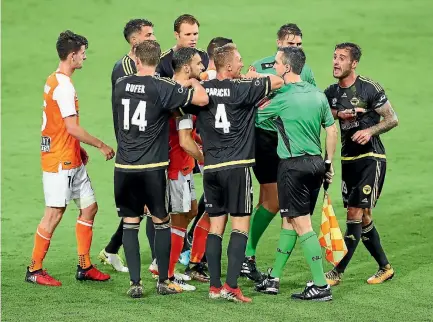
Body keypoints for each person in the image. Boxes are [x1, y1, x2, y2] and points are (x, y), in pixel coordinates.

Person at [183, 43, 283, 302]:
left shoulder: (203, 90)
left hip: (212, 168)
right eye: (238, 61)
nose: (242, 64)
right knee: (240, 227)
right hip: (238, 168)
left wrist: (199, 78)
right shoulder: (243, 89)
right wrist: (252, 76)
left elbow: (183, 95)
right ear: (228, 65)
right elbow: (278, 80)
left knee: (216, 227)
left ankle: (215, 287)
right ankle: (231, 286)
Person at [112, 40, 209, 298]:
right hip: (152, 167)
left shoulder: (120, 84)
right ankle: (164, 281)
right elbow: (201, 98)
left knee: (130, 223)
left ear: (137, 60)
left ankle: (135, 283)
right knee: (161, 221)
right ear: (158, 61)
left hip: (124, 165)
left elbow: (117, 121)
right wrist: (190, 84)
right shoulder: (162, 86)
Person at [25, 30, 115, 286]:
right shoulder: (63, 86)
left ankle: (84, 265)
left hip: (70, 155)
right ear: (72, 55)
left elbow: (60, 126)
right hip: (59, 160)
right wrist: (100, 145)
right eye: (83, 53)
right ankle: (34, 269)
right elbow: (72, 127)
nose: (85, 57)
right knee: (54, 213)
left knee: (89, 207)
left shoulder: (54, 79)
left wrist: (78, 148)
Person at [254, 46, 337, 301]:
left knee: (302, 224)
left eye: (277, 63)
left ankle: (321, 285)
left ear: (287, 67)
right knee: (290, 220)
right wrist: (328, 162)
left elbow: (255, 116)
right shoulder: (318, 94)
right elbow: (332, 130)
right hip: (315, 164)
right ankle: (274, 278)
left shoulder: (283, 97)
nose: (275, 67)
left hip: (292, 166)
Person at [242, 23, 317, 282]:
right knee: (274, 202)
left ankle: (246, 255)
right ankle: (247, 254)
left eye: (298, 44)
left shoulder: (305, 70)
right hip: (264, 138)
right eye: (290, 43)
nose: (294, 48)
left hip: (289, 141)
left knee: (269, 201)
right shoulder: (262, 66)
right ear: (278, 42)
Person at [324, 42, 398, 286]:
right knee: (363, 216)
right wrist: (338, 114)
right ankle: (385, 267)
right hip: (348, 159)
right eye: (335, 57)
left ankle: (337, 271)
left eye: (342, 58)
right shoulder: (331, 93)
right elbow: (324, 113)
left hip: (370, 158)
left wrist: (370, 131)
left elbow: (391, 118)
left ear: (353, 63)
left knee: (354, 211)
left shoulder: (368, 88)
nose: (336, 62)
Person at [99, 18, 156, 273]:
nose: (153, 38)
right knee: (145, 206)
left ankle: (111, 249)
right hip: (132, 147)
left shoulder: (142, 63)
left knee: (142, 206)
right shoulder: (124, 68)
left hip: (141, 145)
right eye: (148, 35)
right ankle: (158, 264)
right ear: (135, 41)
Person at [166, 47, 206, 291]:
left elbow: (190, 134)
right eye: (198, 63)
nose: (202, 67)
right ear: (186, 67)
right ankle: (167, 273)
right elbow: (183, 140)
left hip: (184, 166)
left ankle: (165, 266)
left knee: (190, 211)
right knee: (179, 219)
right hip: (175, 166)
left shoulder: (182, 91)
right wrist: (205, 158)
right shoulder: (177, 96)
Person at [156, 14, 209, 78]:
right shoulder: (163, 61)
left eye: (195, 34)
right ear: (177, 35)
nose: (193, 38)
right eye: (188, 34)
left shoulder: (204, 56)